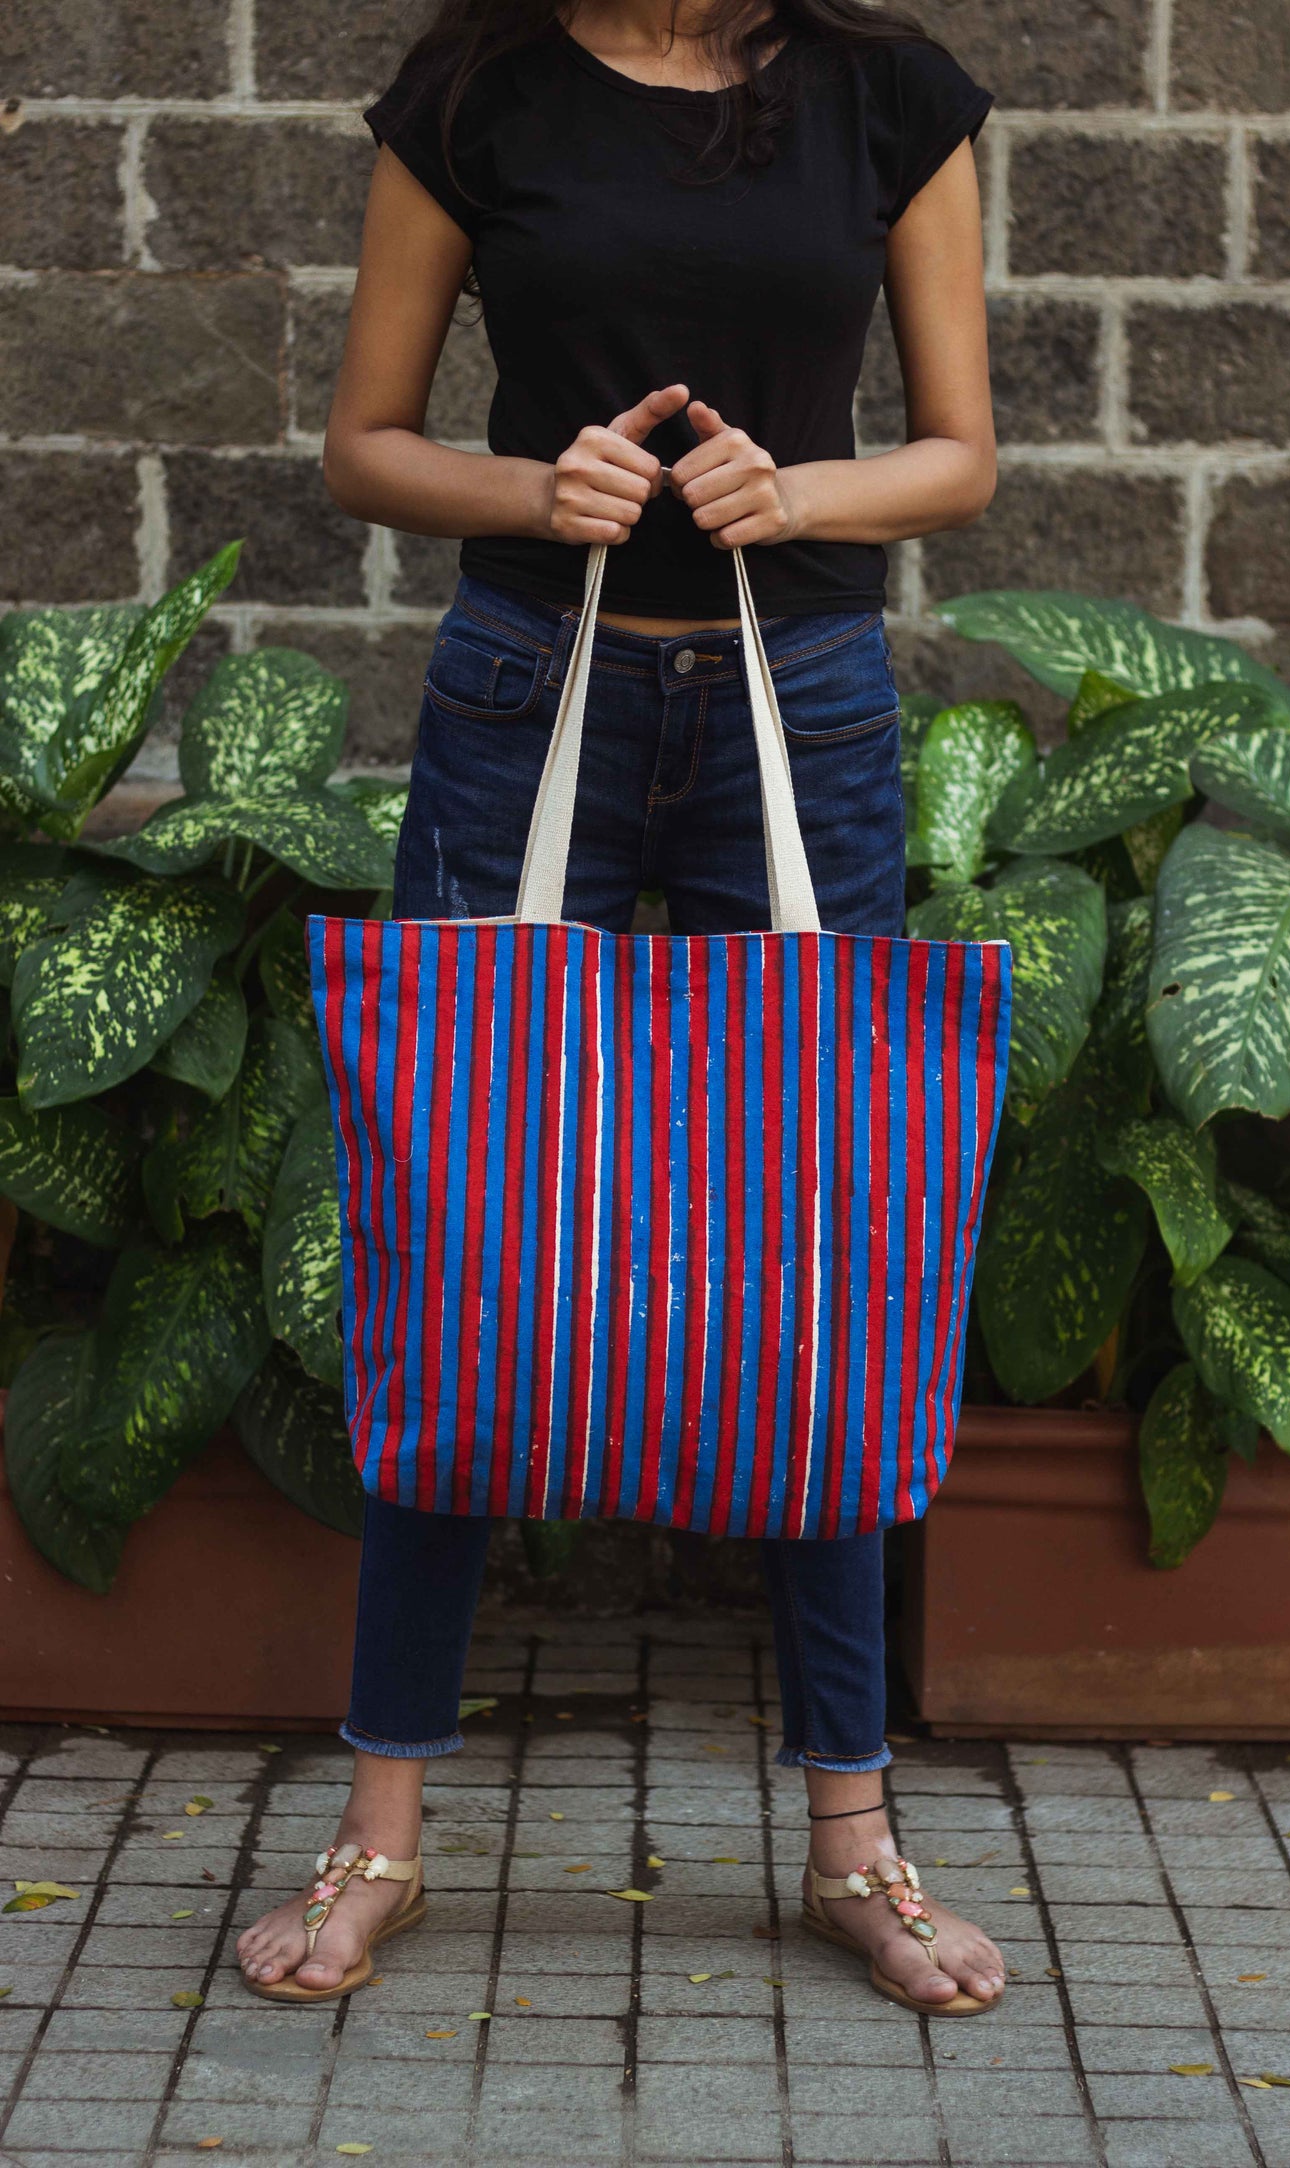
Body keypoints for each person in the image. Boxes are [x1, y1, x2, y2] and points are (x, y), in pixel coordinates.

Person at [237, 0, 1005, 2012]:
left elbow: (961, 452)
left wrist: (800, 498)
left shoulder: (885, 93)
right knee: (455, 1249)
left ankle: (856, 1839)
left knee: (838, 1262)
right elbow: (361, 444)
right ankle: (379, 1834)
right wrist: (531, 490)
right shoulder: (475, 84)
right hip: (523, 702)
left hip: (805, 712)